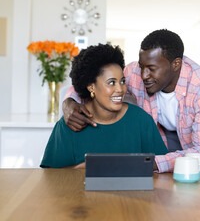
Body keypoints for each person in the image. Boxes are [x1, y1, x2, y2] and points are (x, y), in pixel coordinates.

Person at [63, 29, 200, 172]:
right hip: (164, 142)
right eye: (142, 66)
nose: (144, 75)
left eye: (151, 69)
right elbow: (97, 81)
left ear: (175, 65)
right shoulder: (136, 72)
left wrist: (139, 163)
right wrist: (69, 102)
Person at [40, 44, 168, 168]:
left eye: (122, 81)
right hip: (78, 190)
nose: (120, 89)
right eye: (111, 83)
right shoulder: (70, 123)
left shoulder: (142, 120)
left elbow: (160, 170)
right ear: (91, 87)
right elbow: (51, 176)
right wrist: (82, 169)